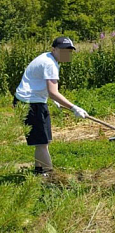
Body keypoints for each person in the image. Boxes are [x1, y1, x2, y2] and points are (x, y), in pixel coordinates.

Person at [13, 37, 89, 176]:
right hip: (29, 104)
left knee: (43, 140)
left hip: (35, 101)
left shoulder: (48, 58)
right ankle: (51, 177)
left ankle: (39, 171)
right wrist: (74, 108)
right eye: (64, 50)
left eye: (69, 50)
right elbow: (53, 92)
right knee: (41, 143)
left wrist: (50, 97)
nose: (67, 53)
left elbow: (42, 85)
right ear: (54, 49)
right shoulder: (50, 64)